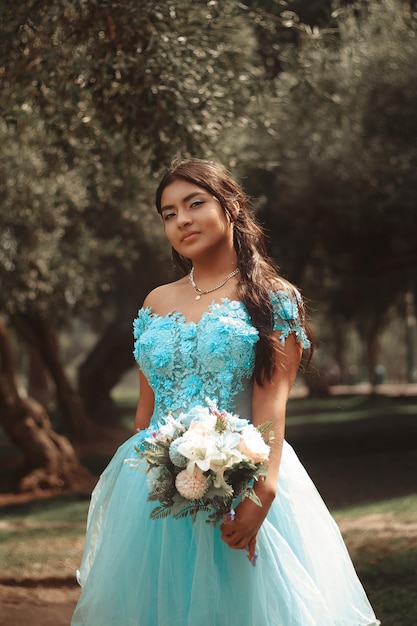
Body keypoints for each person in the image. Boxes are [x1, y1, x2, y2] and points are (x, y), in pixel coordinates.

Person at [72, 158, 380, 626]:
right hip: (153, 492)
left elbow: (270, 407)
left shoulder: (273, 298)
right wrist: (143, 488)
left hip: (242, 483)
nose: (182, 220)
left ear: (232, 207)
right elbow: (144, 415)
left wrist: (261, 495)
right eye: (169, 213)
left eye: (195, 204)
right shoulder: (156, 301)